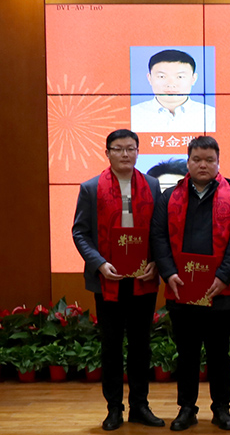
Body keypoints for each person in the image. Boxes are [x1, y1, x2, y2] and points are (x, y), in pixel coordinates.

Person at [150, 136, 230, 431]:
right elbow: (158, 237)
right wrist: (169, 273)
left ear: (218, 162)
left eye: (209, 160)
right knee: (187, 354)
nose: (203, 165)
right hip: (181, 288)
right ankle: (186, 408)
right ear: (188, 162)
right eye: (197, 159)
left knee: (219, 354)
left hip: (219, 291)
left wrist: (224, 276)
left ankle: (221, 409)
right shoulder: (169, 197)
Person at [72, 129, 164, 431]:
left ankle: (140, 406)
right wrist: (99, 264)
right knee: (111, 347)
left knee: (140, 346)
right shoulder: (91, 188)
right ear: (107, 153)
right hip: (107, 279)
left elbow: (159, 231)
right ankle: (114, 409)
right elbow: (80, 232)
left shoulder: (152, 185)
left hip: (143, 278)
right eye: (118, 149)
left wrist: (155, 262)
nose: (125, 154)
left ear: (138, 152)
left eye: (130, 148)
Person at [131, 49, 216, 133]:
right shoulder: (133, 115)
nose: (171, 84)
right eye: (162, 76)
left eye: (180, 77)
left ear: (193, 78)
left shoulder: (211, 116)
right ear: (150, 78)